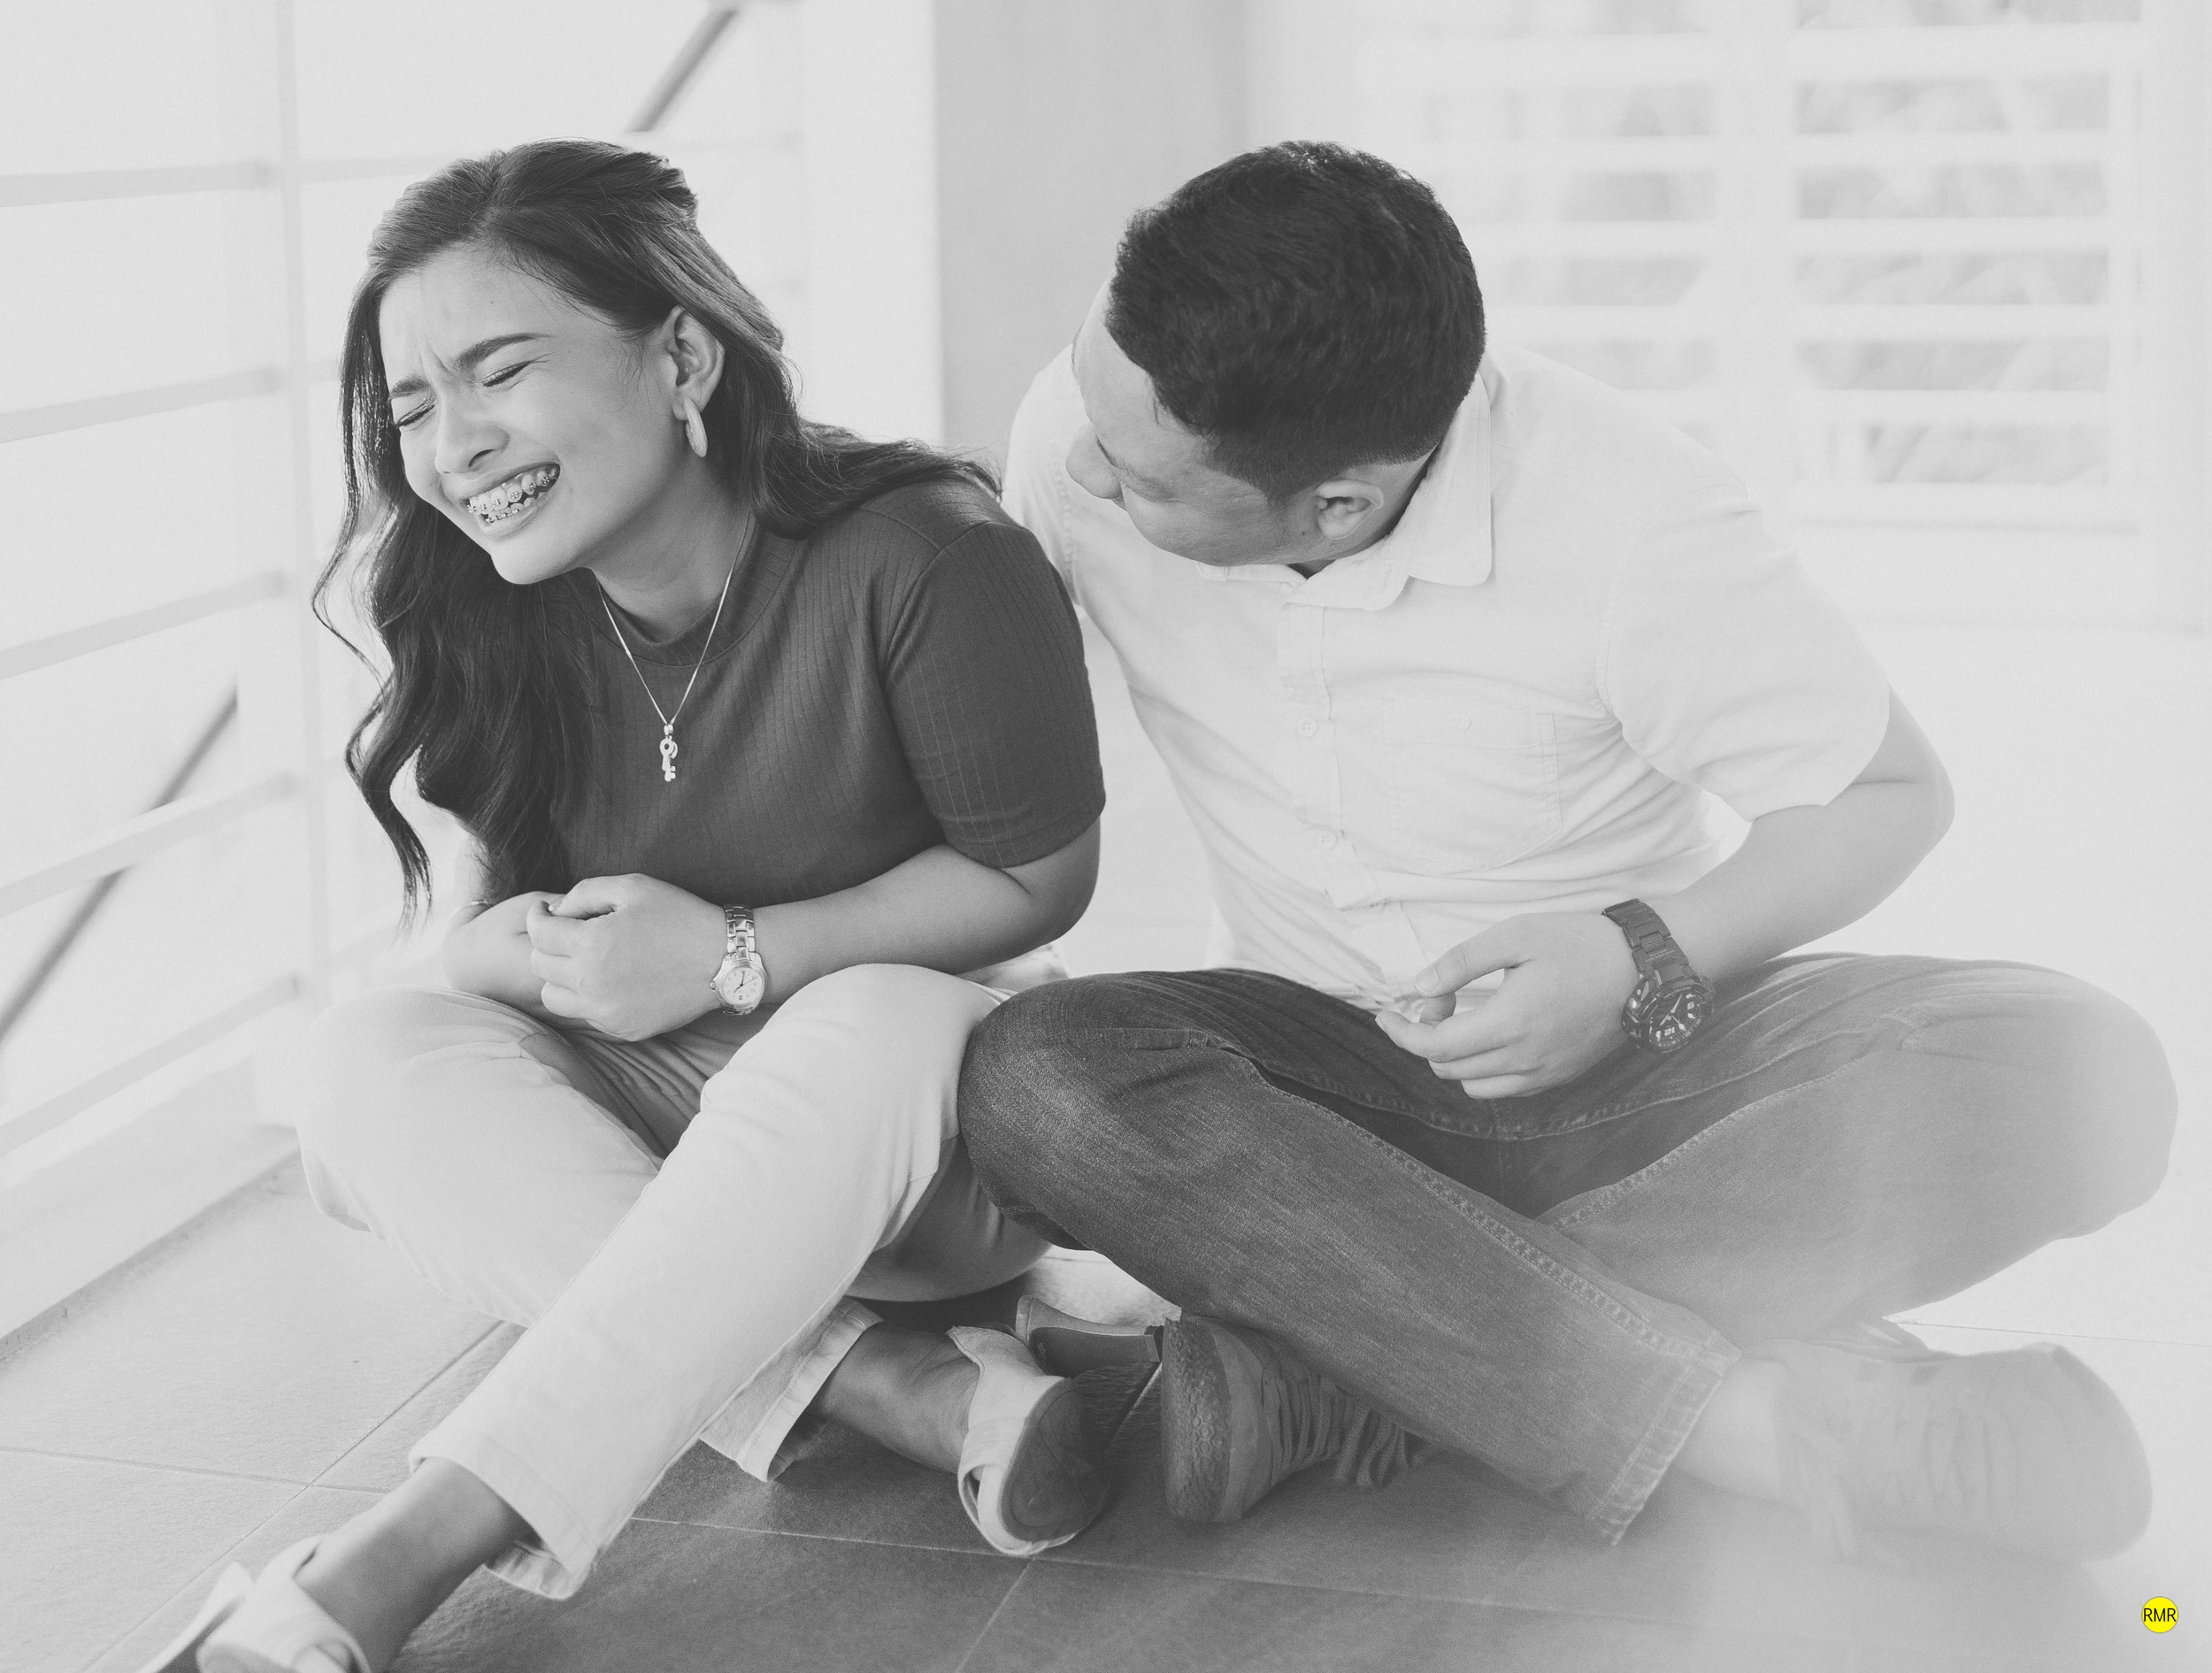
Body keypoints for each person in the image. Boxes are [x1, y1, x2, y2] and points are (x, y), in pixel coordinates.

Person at [963, 141, 2177, 1563]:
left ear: (1340, 501)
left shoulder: (1632, 517)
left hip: (1650, 1069)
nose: (1084, 471)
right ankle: (1728, 1418)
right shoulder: (1087, 434)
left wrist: (1637, 956)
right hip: (1309, 1104)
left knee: (2082, 1070)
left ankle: (1348, 1363)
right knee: (1037, 1076)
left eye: (1139, 480)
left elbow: (1888, 791)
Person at [150, 140, 1110, 1673]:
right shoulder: (487, 604)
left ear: (682, 356)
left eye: (499, 372)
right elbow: (478, 933)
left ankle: (398, 1557)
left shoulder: (931, 553)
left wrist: (736, 959)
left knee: (863, 1016)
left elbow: (1038, 879)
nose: (454, 444)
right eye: (411, 407)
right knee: (356, 1059)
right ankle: (894, 1390)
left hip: (923, 1154)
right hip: (668, 1155)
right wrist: (520, 951)